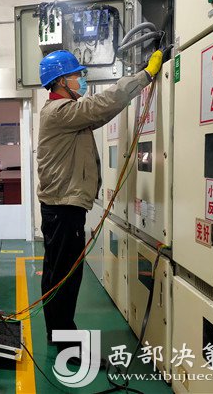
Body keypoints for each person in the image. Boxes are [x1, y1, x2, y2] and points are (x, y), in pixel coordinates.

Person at [37, 49, 162, 355]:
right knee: (66, 276)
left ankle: (57, 332)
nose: (81, 79)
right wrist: (145, 76)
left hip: (59, 206)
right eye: (76, 75)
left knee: (56, 272)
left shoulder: (65, 112)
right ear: (61, 81)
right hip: (64, 208)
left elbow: (98, 112)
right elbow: (101, 105)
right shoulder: (60, 112)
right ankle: (66, 342)